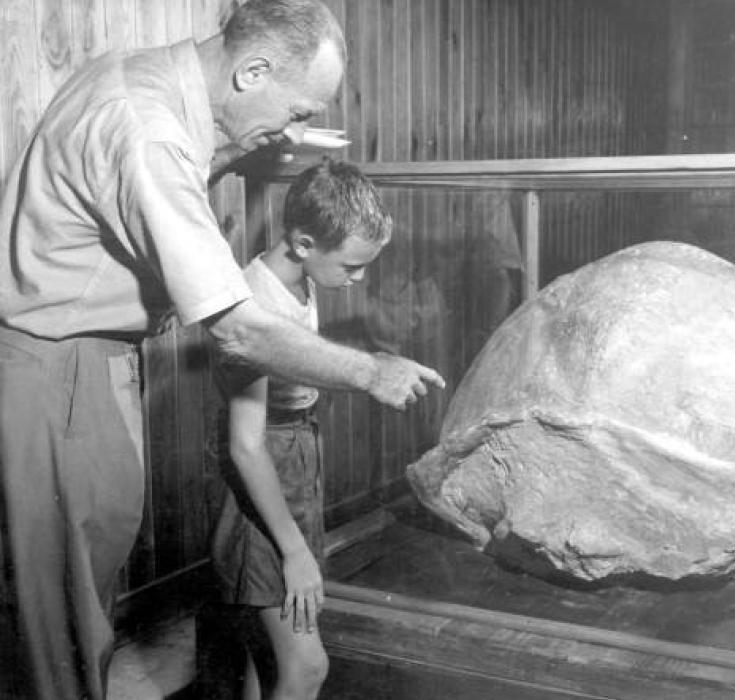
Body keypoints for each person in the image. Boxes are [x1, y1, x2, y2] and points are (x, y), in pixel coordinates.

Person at [0, 1, 443, 698]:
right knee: (63, 613)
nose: (296, 128)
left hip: (88, 359)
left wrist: (256, 144)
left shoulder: (147, 86)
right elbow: (236, 328)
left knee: (88, 589)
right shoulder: (148, 129)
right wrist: (370, 370)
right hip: (60, 364)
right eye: (297, 109)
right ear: (253, 70)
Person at [210, 158, 390, 700]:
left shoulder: (298, 280)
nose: (358, 279)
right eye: (352, 266)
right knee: (307, 666)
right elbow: (245, 445)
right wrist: (293, 551)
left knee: (269, 661)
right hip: (262, 476)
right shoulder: (256, 304)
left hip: (295, 454)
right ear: (305, 242)